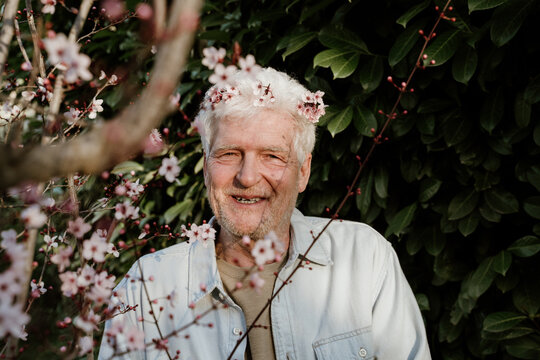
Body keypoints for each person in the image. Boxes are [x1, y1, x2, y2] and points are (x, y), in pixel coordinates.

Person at [98, 67, 431, 359]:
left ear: (303, 171)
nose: (247, 177)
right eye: (229, 153)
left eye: (272, 156)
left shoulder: (364, 259)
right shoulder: (146, 289)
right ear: (206, 168)